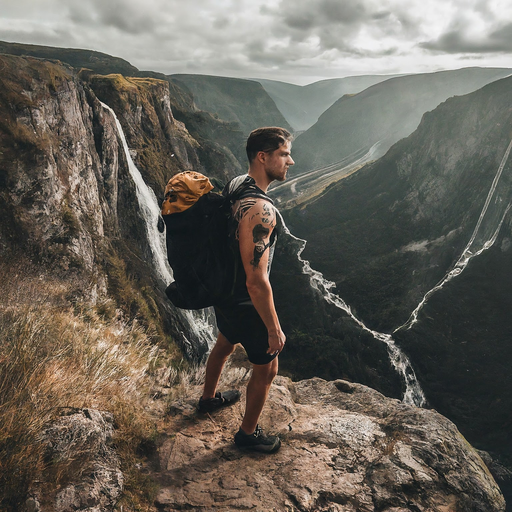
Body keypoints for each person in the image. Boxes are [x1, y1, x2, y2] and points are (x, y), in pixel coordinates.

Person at [198, 127, 294, 453]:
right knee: (268, 367)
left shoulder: (237, 184)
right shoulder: (262, 211)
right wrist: (274, 328)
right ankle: (247, 434)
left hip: (223, 291)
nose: (290, 161)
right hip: (244, 299)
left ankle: (209, 398)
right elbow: (257, 281)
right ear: (263, 157)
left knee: (224, 342)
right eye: (284, 154)